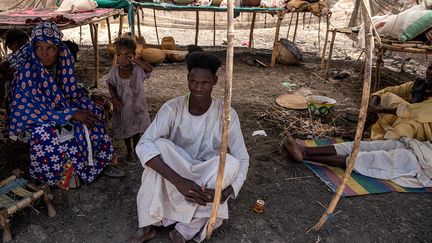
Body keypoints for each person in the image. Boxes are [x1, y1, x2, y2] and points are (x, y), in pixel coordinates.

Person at [130, 52, 249, 243]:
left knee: (232, 164)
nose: (198, 87)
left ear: (215, 81)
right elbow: (144, 144)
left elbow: (243, 158)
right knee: (158, 147)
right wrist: (179, 181)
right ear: (187, 80)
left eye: (204, 83)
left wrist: (224, 194)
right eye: (193, 81)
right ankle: (147, 227)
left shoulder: (227, 114)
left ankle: (183, 231)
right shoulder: (172, 108)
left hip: (205, 178)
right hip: (176, 170)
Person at [6, 21, 122, 190]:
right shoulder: (28, 71)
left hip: (57, 109)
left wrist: (86, 100)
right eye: (39, 48)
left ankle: (99, 162)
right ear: (33, 48)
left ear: (58, 49)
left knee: (94, 111)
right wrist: (70, 114)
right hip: (31, 118)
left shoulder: (63, 61)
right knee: (50, 132)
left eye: (49, 48)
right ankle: (62, 176)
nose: (43, 54)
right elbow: (35, 108)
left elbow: (71, 92)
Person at [281, 133, 432, 188]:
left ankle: (305, 155)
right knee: (364, 146)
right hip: (420, 147)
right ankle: (305, 150)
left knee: (374, 159)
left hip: (426, 163)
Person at [106, 37, 152, 162]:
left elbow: (150, 69)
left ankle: (137, 148)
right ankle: (129, 151)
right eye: (119, 55)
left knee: (136, 128)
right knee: (126, 128)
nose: (123, 58)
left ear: (133, 55)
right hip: (123, 106)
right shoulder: (114, 71)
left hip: (137, 106)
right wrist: (114, 99)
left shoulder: (138, 69)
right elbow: (110, 84)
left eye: (128, 55)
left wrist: (136, 61)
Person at [367, 63, 432, 141]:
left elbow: (412, 111)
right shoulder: (418, 85)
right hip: (407, 123)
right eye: (430, 68)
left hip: (426, 133)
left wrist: (378, 109)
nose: (431, 72)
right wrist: (373, 106)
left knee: (409, 118)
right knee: (388, 97)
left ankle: (392, 143)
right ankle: (364, 133)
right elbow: (385, 91)